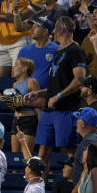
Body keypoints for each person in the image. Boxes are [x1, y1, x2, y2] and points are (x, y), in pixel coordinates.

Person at [23, 16, 86, 172]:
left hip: (66, 108)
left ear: (62, 29)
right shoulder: (58, 52)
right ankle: (38, 187)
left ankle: (78, 187)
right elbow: (57, 84)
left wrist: (58, 96)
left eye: (56, 27)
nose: (53, 31)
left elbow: (79, 80)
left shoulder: (75, 50)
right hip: (49, 110)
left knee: (70, 150)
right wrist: (39, 93)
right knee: (43, 151)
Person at [0, 56, 39, 153]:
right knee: (15, 156)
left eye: (16, 65)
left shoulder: (31, 82)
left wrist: (20, 101)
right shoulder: (15, 84)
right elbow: (15, 105)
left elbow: (39, 103)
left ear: (25, 68)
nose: (13, 68)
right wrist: (7, 100)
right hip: (16, 120)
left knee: (26, 155)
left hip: (28, 120)